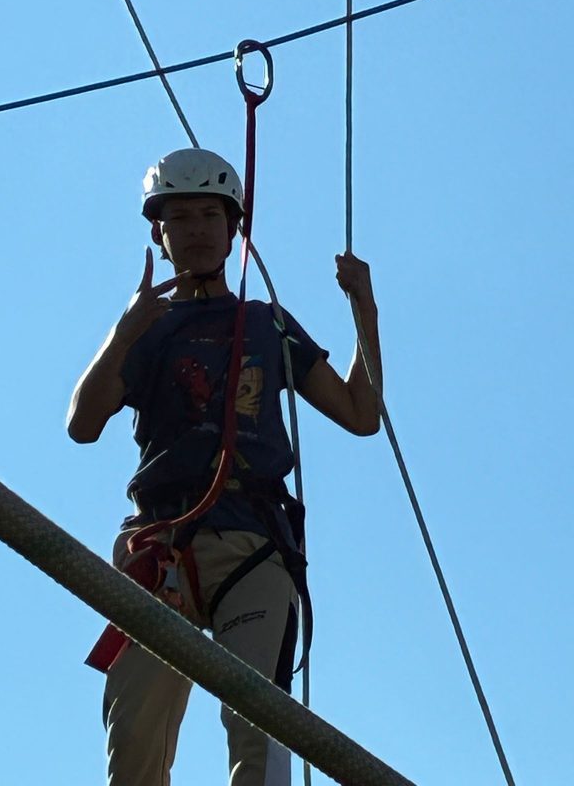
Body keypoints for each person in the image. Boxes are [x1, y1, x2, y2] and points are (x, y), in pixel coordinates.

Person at [67, 148, 383, 786]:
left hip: (252, 540)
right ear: (158, 233)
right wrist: (122, 334)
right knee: (135, 742)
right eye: (179, 218)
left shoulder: (267, 325)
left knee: (260, 728)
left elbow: (360, 412)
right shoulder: (146, 329)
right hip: (162, 544)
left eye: (210, 215)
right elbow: (83, 423)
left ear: (234, 227)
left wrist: (364, 311)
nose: (196, 231)